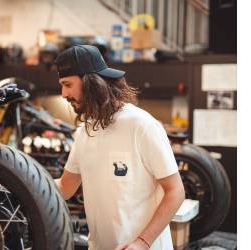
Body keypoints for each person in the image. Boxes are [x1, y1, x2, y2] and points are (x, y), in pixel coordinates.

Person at [54, 45, 185, 250]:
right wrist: (20, 181)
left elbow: (175, 191)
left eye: (67, 84)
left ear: (91, 82)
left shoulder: (141, 125)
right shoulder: (85, 131)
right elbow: (65, 187)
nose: (63, 93)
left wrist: (142, 243)